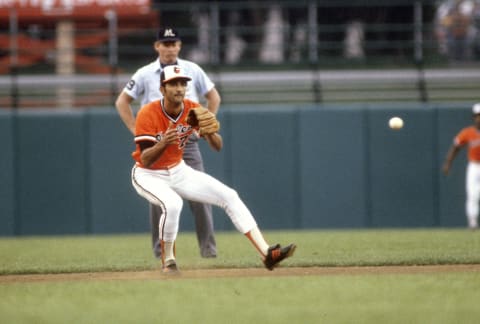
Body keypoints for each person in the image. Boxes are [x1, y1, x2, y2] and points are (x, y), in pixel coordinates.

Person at [130, 65, 296, 273]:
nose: (179, 88)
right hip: (148, 175)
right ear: (162, 89)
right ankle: (168, 260)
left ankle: (267, 254)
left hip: (179, 170)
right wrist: (163, 143)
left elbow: (217, 146)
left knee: (229, 195)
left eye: (183, 83)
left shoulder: (193, 108)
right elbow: (146, 160)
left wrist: (209, 133)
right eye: (173, 84)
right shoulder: (148, 113)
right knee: (173, 204)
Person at [115, 27, 220, 258]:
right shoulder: (145, 73)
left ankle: (208, 251)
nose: (170, 48)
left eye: (173, 43)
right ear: (157, 46)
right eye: (165, 43)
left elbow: (214, 97)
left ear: (179, 46)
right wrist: (135, 129)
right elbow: (122, 101)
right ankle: (160, 251)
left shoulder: (191, 69)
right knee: (159, 200)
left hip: (186, 141)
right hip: (158, 141)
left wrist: (204, 126)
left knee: (201, 195)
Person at [442, 103, 480, 230]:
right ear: (473, 117)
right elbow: (455, 147)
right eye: (477, 115)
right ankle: (472, 221)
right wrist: (448, 162)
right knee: (472, 194)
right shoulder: (467, 132)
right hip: (474, 166)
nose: (479, 118)